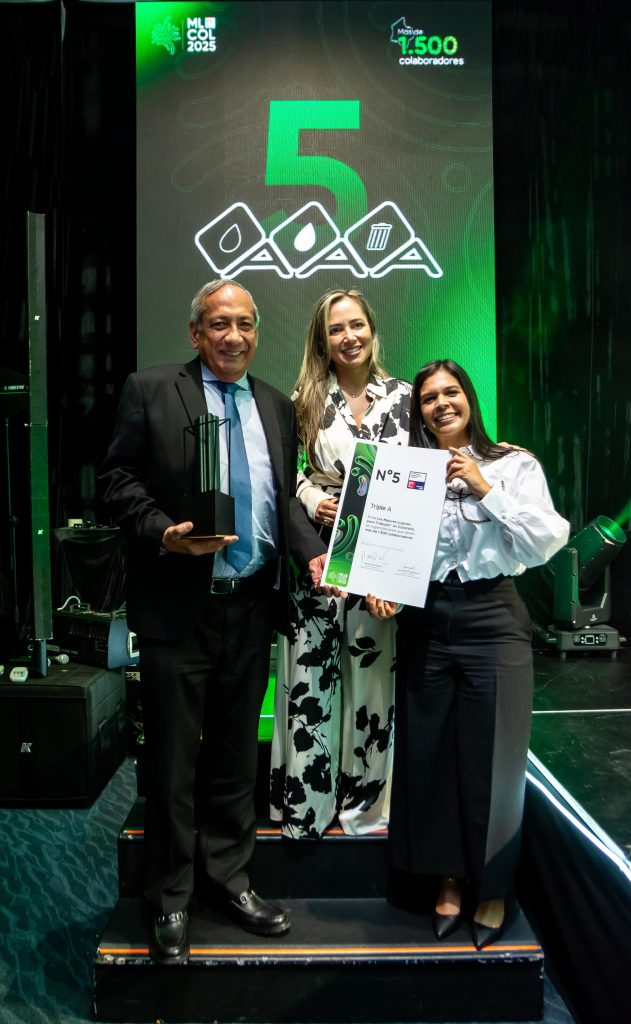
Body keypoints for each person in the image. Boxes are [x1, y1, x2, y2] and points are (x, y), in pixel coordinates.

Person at [99, 279, 329, 964]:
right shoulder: (151, 390)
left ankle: (229, 880)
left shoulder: (274, 406)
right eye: (220, 324)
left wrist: (311, 553)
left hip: (252, 606)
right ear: (196, 333)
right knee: (172, 761)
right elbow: (116, 482)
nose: (234, 336)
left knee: (234, 757)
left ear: (256, 332)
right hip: (179, 609)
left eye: (245, 324)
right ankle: (169, 897)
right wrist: (163, 533)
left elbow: (281, 498)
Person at [366, 359, 569, 948]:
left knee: (494, 759)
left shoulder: (513, 463)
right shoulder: (403, 471)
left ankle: (493, 887)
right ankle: (449, 879)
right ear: (419, 411)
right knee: (429, 755)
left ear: (469, 398)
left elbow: (546, 542)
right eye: (429, 398)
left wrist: (485, 488)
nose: (441, 405)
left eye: (450, 392)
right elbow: (383, 550)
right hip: (426, 619)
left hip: (493, 616)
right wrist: (380, 588)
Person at [270, 289, 411, 838]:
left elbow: (420, 478)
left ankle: (367, 811)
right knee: (312, 682)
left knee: (373, 686)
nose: (348, 337)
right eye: (336, 329)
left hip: (380, 554)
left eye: (357, 325)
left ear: (372, 330)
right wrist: (311, 498)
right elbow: (283, 476)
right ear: (321, 340)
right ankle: (307, 810)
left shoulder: (403, 397)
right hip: (319, 555)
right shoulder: (302, 400)